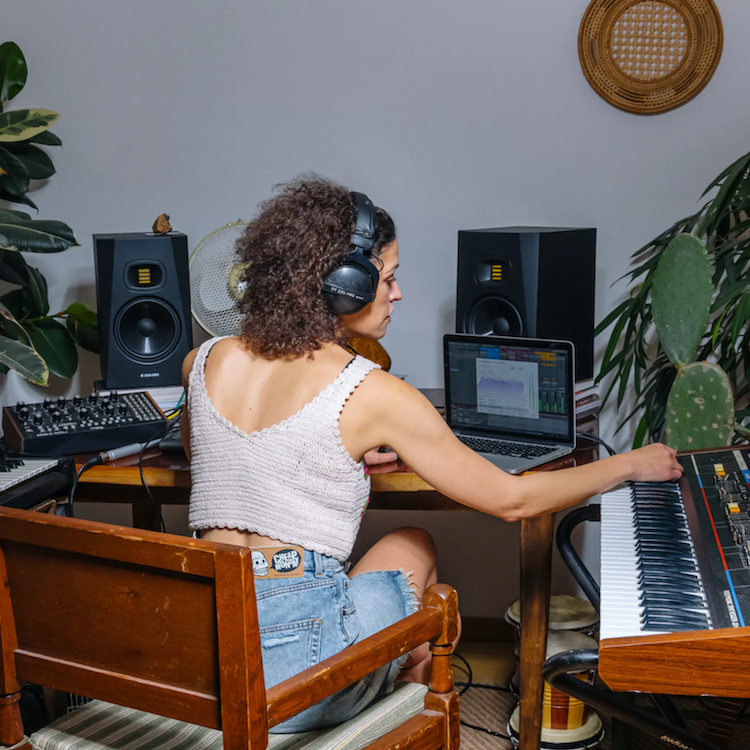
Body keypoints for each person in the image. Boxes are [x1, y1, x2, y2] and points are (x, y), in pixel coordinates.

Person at [180, 175, 683, 732]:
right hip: (300, 678)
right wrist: (630, 463)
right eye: (389, 278)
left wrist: (335, 451)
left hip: (203, 653)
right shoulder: (371, 392)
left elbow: (218, 465)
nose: (397, 294)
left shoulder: (203, 362)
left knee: (406, 543)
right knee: (418, 549)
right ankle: (405, 725)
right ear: (345, 285)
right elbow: (513, 500)